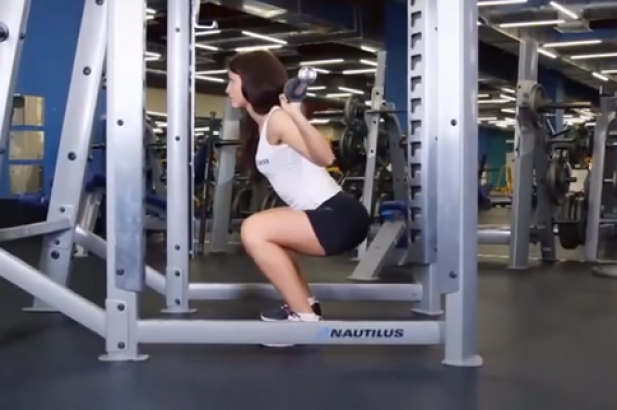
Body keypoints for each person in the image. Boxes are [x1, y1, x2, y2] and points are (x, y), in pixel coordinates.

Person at [226, 50, 371, 327]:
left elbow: (325, 158)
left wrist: (296, 115)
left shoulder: (278, 119)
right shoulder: (263, 125)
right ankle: (306, 305)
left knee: (254, 229)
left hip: (337, 216)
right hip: (329, 214)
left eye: (232, 81)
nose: (227, 88)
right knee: (267, 228)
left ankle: (303, 318)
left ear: (252, 82)